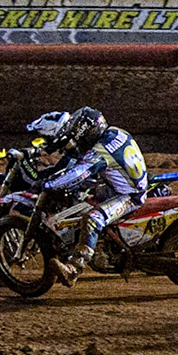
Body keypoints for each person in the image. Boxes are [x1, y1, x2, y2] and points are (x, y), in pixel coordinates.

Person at [37, 107, 149, 282]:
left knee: (92, 218)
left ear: (87, 131)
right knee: (81, 197)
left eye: (78, 135)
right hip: (123, 185)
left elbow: (79, 172)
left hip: (128, 196)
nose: (78, 140)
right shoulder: (116, 132)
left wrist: (48, 184)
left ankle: (74, 269)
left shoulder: (100, 151)